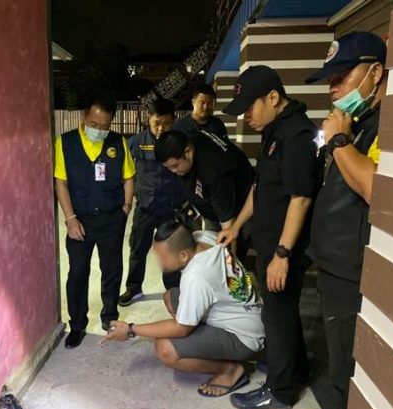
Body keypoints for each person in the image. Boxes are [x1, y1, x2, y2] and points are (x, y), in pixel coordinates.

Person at [219, 65, 322, 409]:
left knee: (276, 319)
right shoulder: (274, 131)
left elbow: (301, 198)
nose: (246, 116)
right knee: (283, 315)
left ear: (273, 98)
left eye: (250, 107)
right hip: (268, 243)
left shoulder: (297, 136)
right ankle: (294, 371)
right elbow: (260, 186)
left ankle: (278, 392)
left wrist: (282, 254)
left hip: (283, 249)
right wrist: (236, 226)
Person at [304, 32, 387, 409]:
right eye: (330, 81)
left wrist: (339, 141)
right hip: (336, 267)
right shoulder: (361, 122)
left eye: (341, 78)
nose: (333, 90)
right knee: (340, 362)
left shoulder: (386, 125)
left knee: (346, 372)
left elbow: (378, 189)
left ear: (375, 72)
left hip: (353, 273)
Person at [100, 221, 264, 397]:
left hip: (244, 336)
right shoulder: (204, 237)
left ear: (184, 255)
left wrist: (131, 329)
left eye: (163, 258)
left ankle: (229, 370)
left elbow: (181, 328)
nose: (160, 263)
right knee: (171, 297)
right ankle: (205, 343)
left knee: (165, 349)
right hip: (251, 313)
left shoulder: (195, 277)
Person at [54, 95, 136, 349]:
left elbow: (129, 176)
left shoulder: (118, 142)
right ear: (84, 117)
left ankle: (109, 317)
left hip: (112, 219)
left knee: (112, 270)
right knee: (78, 272)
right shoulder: (66, 142)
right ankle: (77, 324)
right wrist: (70, 219)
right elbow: (61, 182)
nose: (99, 130)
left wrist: (126, 208)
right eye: (94, 124)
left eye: (105, 126)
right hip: (80, 221)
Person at [119, 99, 185, 307]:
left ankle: (174, 290)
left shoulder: (179, 142)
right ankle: (134, 288)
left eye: (166, 123)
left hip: (170, 209)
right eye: (156, 123)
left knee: (171, 251)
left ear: (173, 121)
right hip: (145, 208)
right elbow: (124, 169)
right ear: (149, 120)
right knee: (137, 249)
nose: (160, 128)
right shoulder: (137, 141)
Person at [155, 130, 253, 238]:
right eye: (169, 168)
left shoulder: (215, 170)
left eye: (175, 166)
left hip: (242, 211)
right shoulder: (190, 140)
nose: (173, 171)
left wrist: (227, 245)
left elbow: (228, 227)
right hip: (211, 207)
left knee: (229, 240)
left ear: (188, 152)